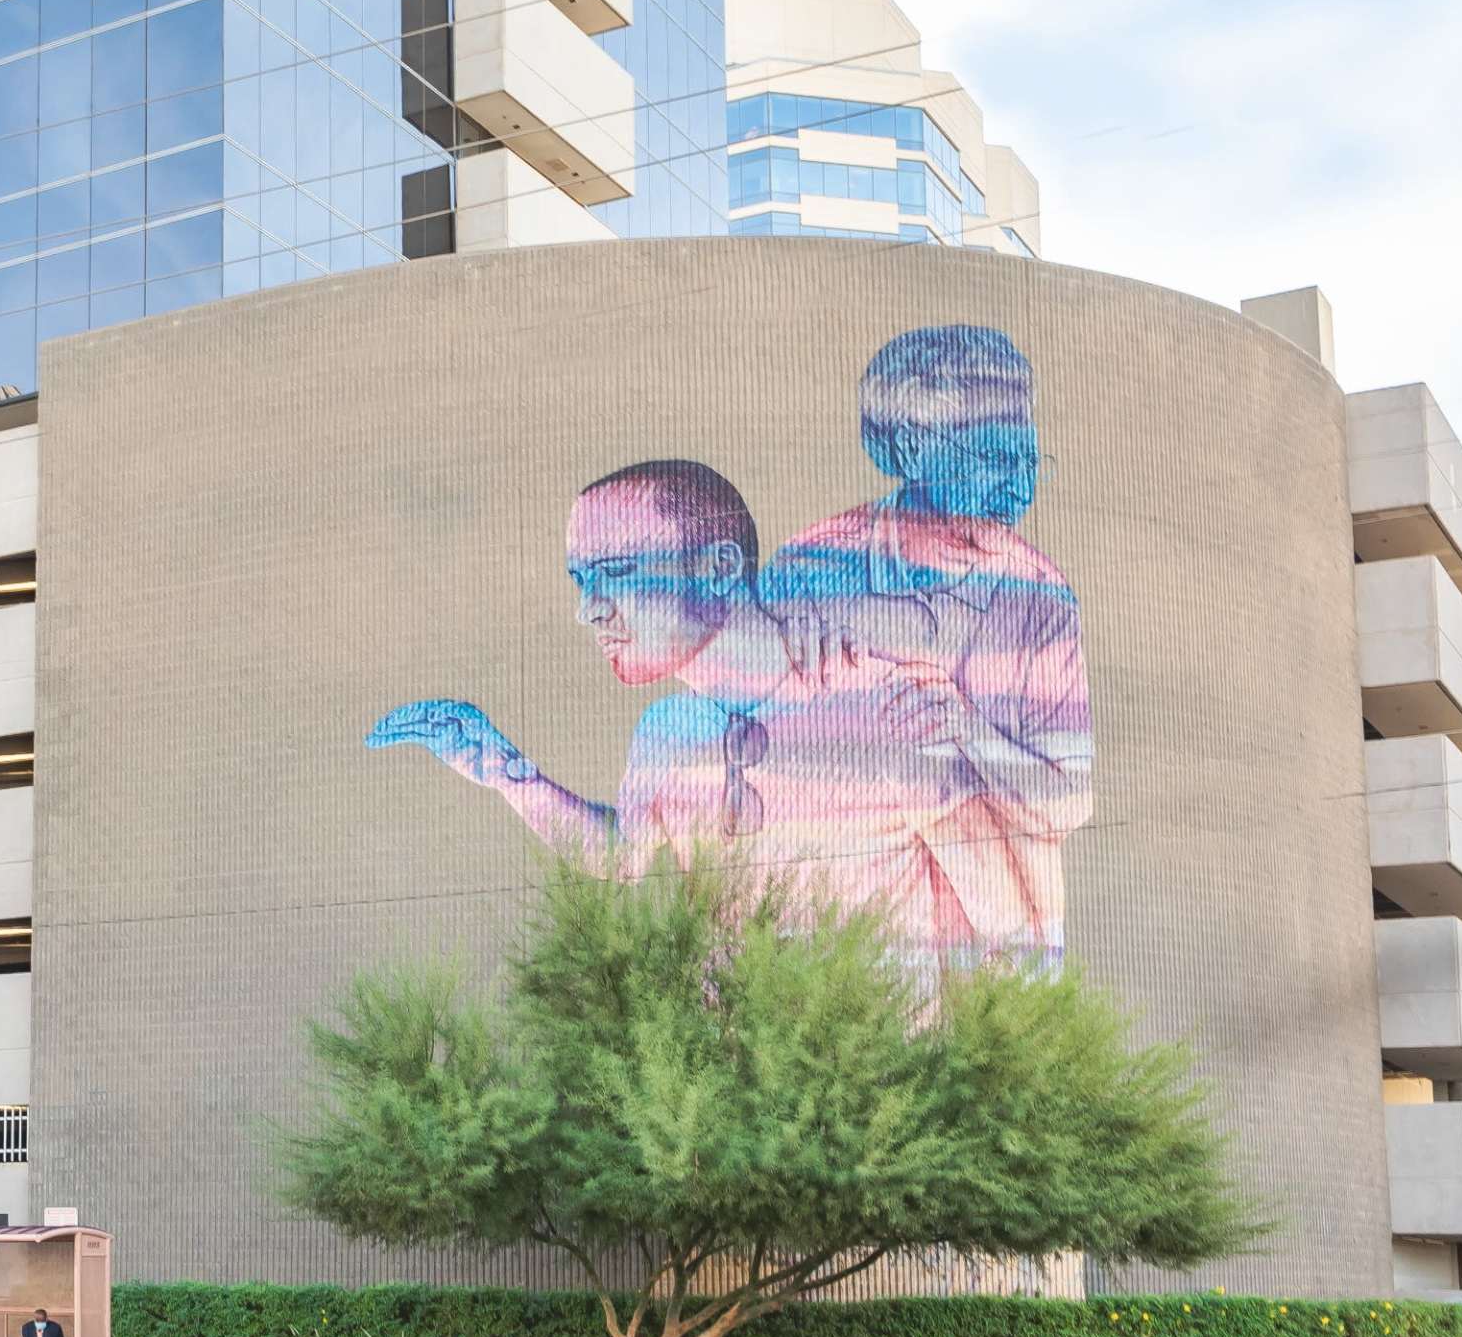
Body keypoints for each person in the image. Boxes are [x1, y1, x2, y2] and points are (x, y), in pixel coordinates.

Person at [756, 324, 1093, 970]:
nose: (1019, 488)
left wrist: (967, 728)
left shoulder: (1042, 601)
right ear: (911, 443)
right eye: (994, 459)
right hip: (839, 946)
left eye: (1029, 462)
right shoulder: (807, 568)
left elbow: (1068, 799)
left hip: (994, 963)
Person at [367, 459, 800, 876]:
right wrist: (510, 774)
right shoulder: (668, 728)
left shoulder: (851, 678)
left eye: (616, 570)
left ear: (719, 567)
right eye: (581, 580)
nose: (588, 609)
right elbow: (625, 857)